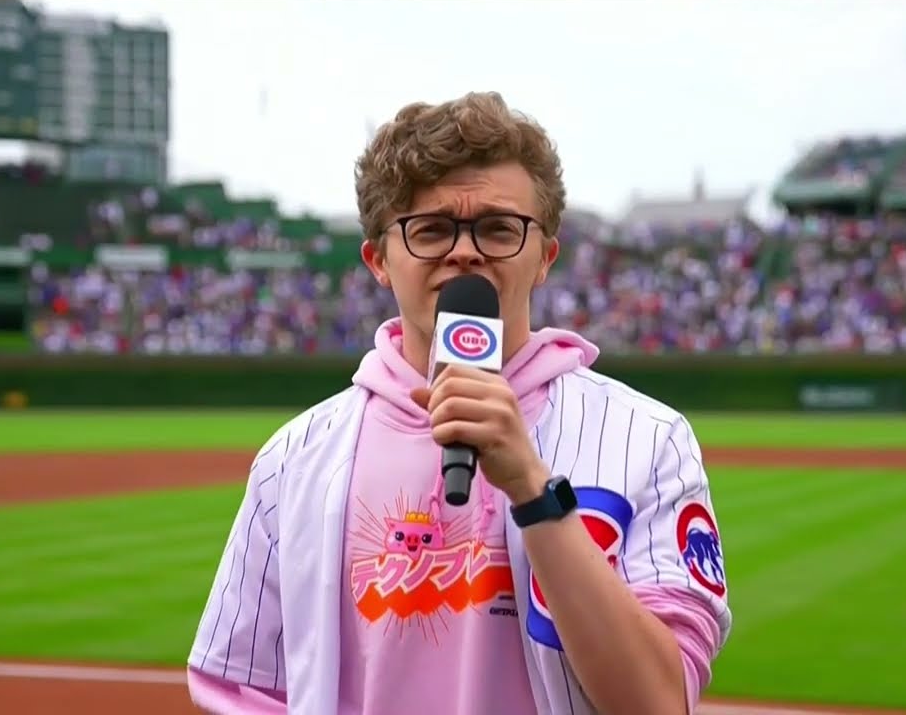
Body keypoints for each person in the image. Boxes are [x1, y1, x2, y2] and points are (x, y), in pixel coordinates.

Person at [187, 92, 732, 715]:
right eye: (431, 229)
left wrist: (534, 490)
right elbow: (240, 690)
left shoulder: (647, 438)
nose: (465, 250)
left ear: (545, 256)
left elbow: (658, 703)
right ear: (379, 260)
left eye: (500, 227)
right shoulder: (294, 460)